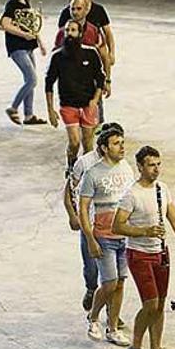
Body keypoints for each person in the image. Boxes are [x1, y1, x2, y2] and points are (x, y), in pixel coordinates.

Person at [112, 146, 175, 349]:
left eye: (158, 164)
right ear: (139, 166)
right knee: (150, 303)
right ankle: (136, 347)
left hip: (160, 253)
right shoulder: (131, 194)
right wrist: (144, 232)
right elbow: (117, 225)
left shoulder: (162, 189)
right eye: (151, 165)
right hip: (139, 254)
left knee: (160, 305)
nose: (156, 169)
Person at [79, 127, 135, 346]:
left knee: (120, 283)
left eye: (122, 142)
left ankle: (112, 328)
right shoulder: (92, 173)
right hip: (103, 236)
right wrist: (90, 238)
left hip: (125, 236)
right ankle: (93, 318)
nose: (122, 147)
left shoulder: (126, 168)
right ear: (104, 148)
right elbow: (83, 208)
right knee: (109, 283)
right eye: (116, 143)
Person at [64, 122, 124, 312]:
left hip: (112, 229)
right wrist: (72, 215)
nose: (121, 147)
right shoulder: (85, 163)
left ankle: (111, 313)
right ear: (103, 144)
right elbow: (69, 189)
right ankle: (91, 289)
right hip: (89, 224)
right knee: (91, 268)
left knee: (112, 277)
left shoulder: (121, 164)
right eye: (116, 143)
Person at [45, 19, 106, 168]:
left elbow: (100, 77)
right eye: (67, 30)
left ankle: (85, 172)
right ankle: (71, 165)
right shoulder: (57, 57)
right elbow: (49, 83)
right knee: (74, 142)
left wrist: (95, 100)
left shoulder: (91, 54)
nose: (69, 34)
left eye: (73, 30)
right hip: (68, 105)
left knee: (87, 143)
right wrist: (50, 110)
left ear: (80, 33)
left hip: (88, 105)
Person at [57, 0, 114, 123]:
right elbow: (60, 45)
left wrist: (112, 54)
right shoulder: (65, 15)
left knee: (95, 98)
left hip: (91, 68)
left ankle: (97, 124)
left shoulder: (96, 18)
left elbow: (107, 35)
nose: (75, 12)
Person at [0, 0, 47, 125]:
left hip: (28, 46)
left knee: (29, 80)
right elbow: (5, 24)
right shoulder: (12, 4)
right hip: (17, 47)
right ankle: (13, 108)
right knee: (32, 80)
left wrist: (41, 43)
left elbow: (32, 26)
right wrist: (24, 35)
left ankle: (29, 116)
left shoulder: (26, 5)